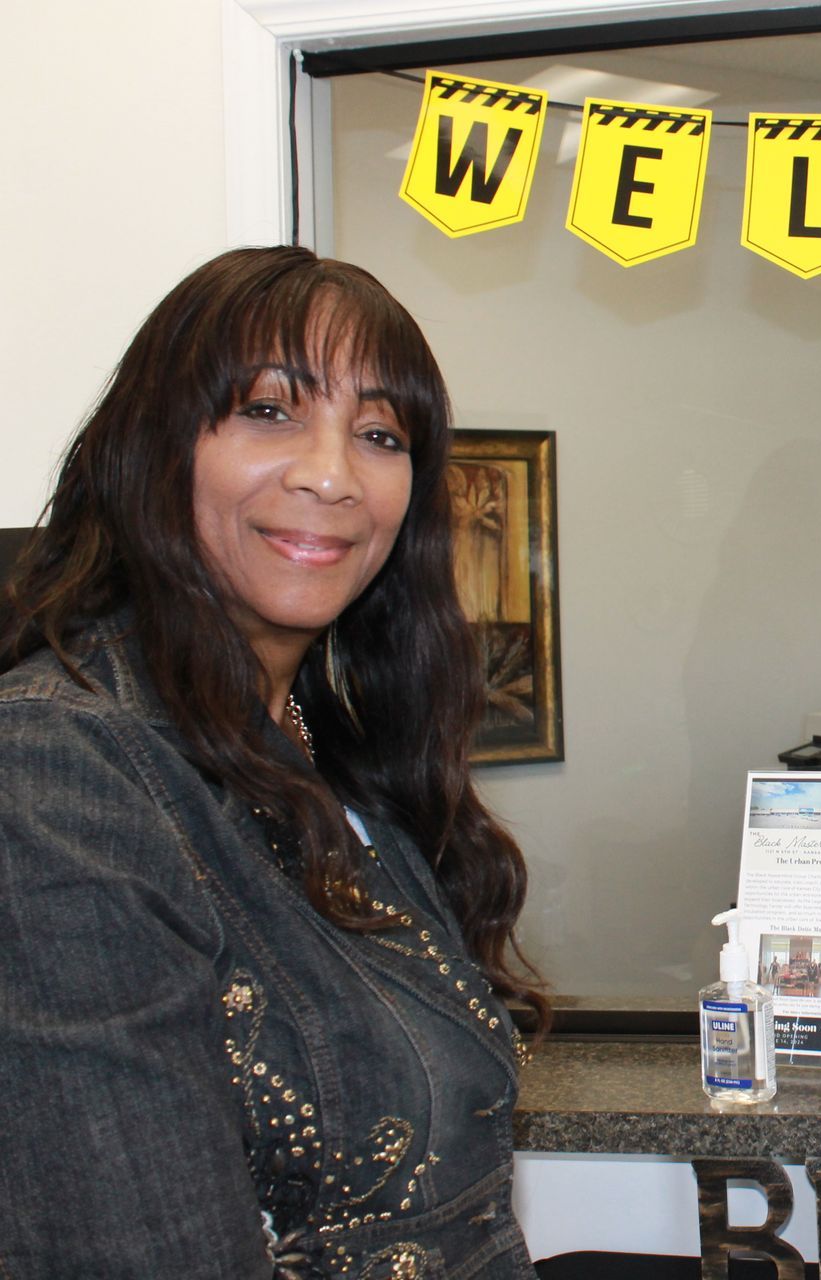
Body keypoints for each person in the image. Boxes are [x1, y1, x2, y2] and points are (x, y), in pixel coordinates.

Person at [0, 247, 548, 1277]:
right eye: (267, 411)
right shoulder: (56, 768)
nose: (331, 475)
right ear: (155, 445)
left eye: (380, 435)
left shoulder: (323, 748)